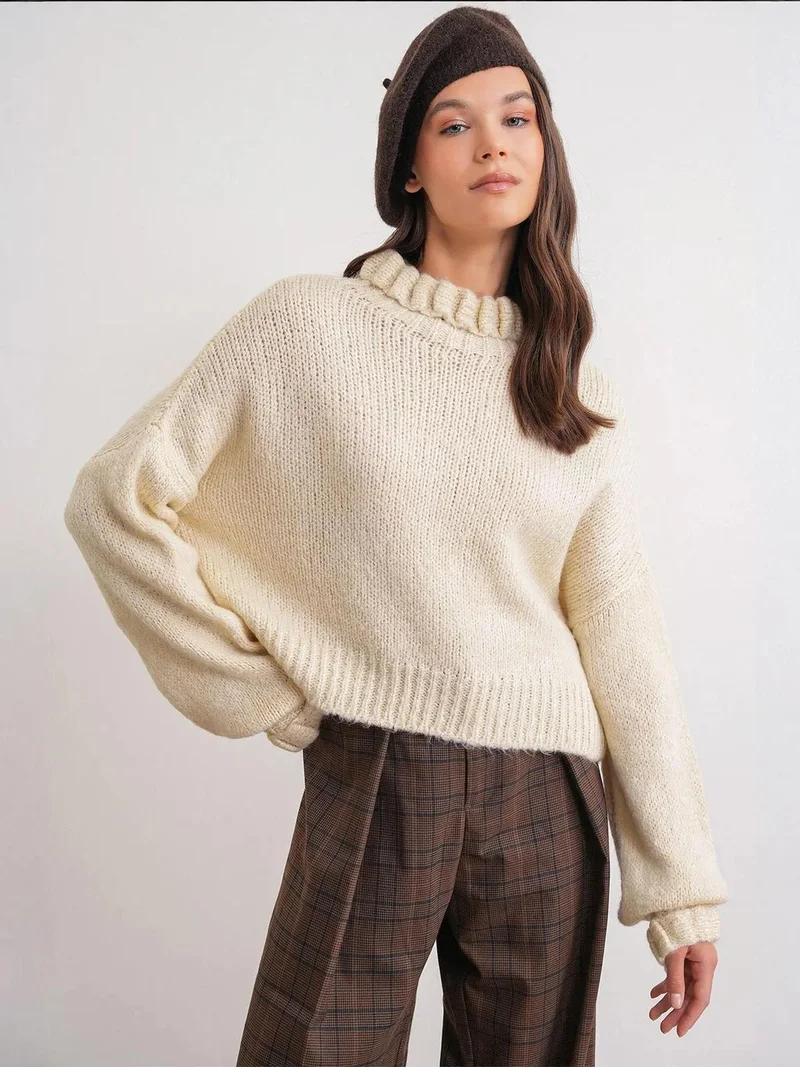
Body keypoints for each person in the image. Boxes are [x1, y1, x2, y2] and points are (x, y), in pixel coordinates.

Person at [63, 6, 729, 1065]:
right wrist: (258, 692)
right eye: (454, 124)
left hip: (547, 791)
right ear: (409, 167)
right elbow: (116, 499)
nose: (493, 144)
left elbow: (622, 634)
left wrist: (680, 889)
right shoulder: (307, 327)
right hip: (375, 762)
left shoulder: (572, 388)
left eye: (516, 117)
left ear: (544, 147)